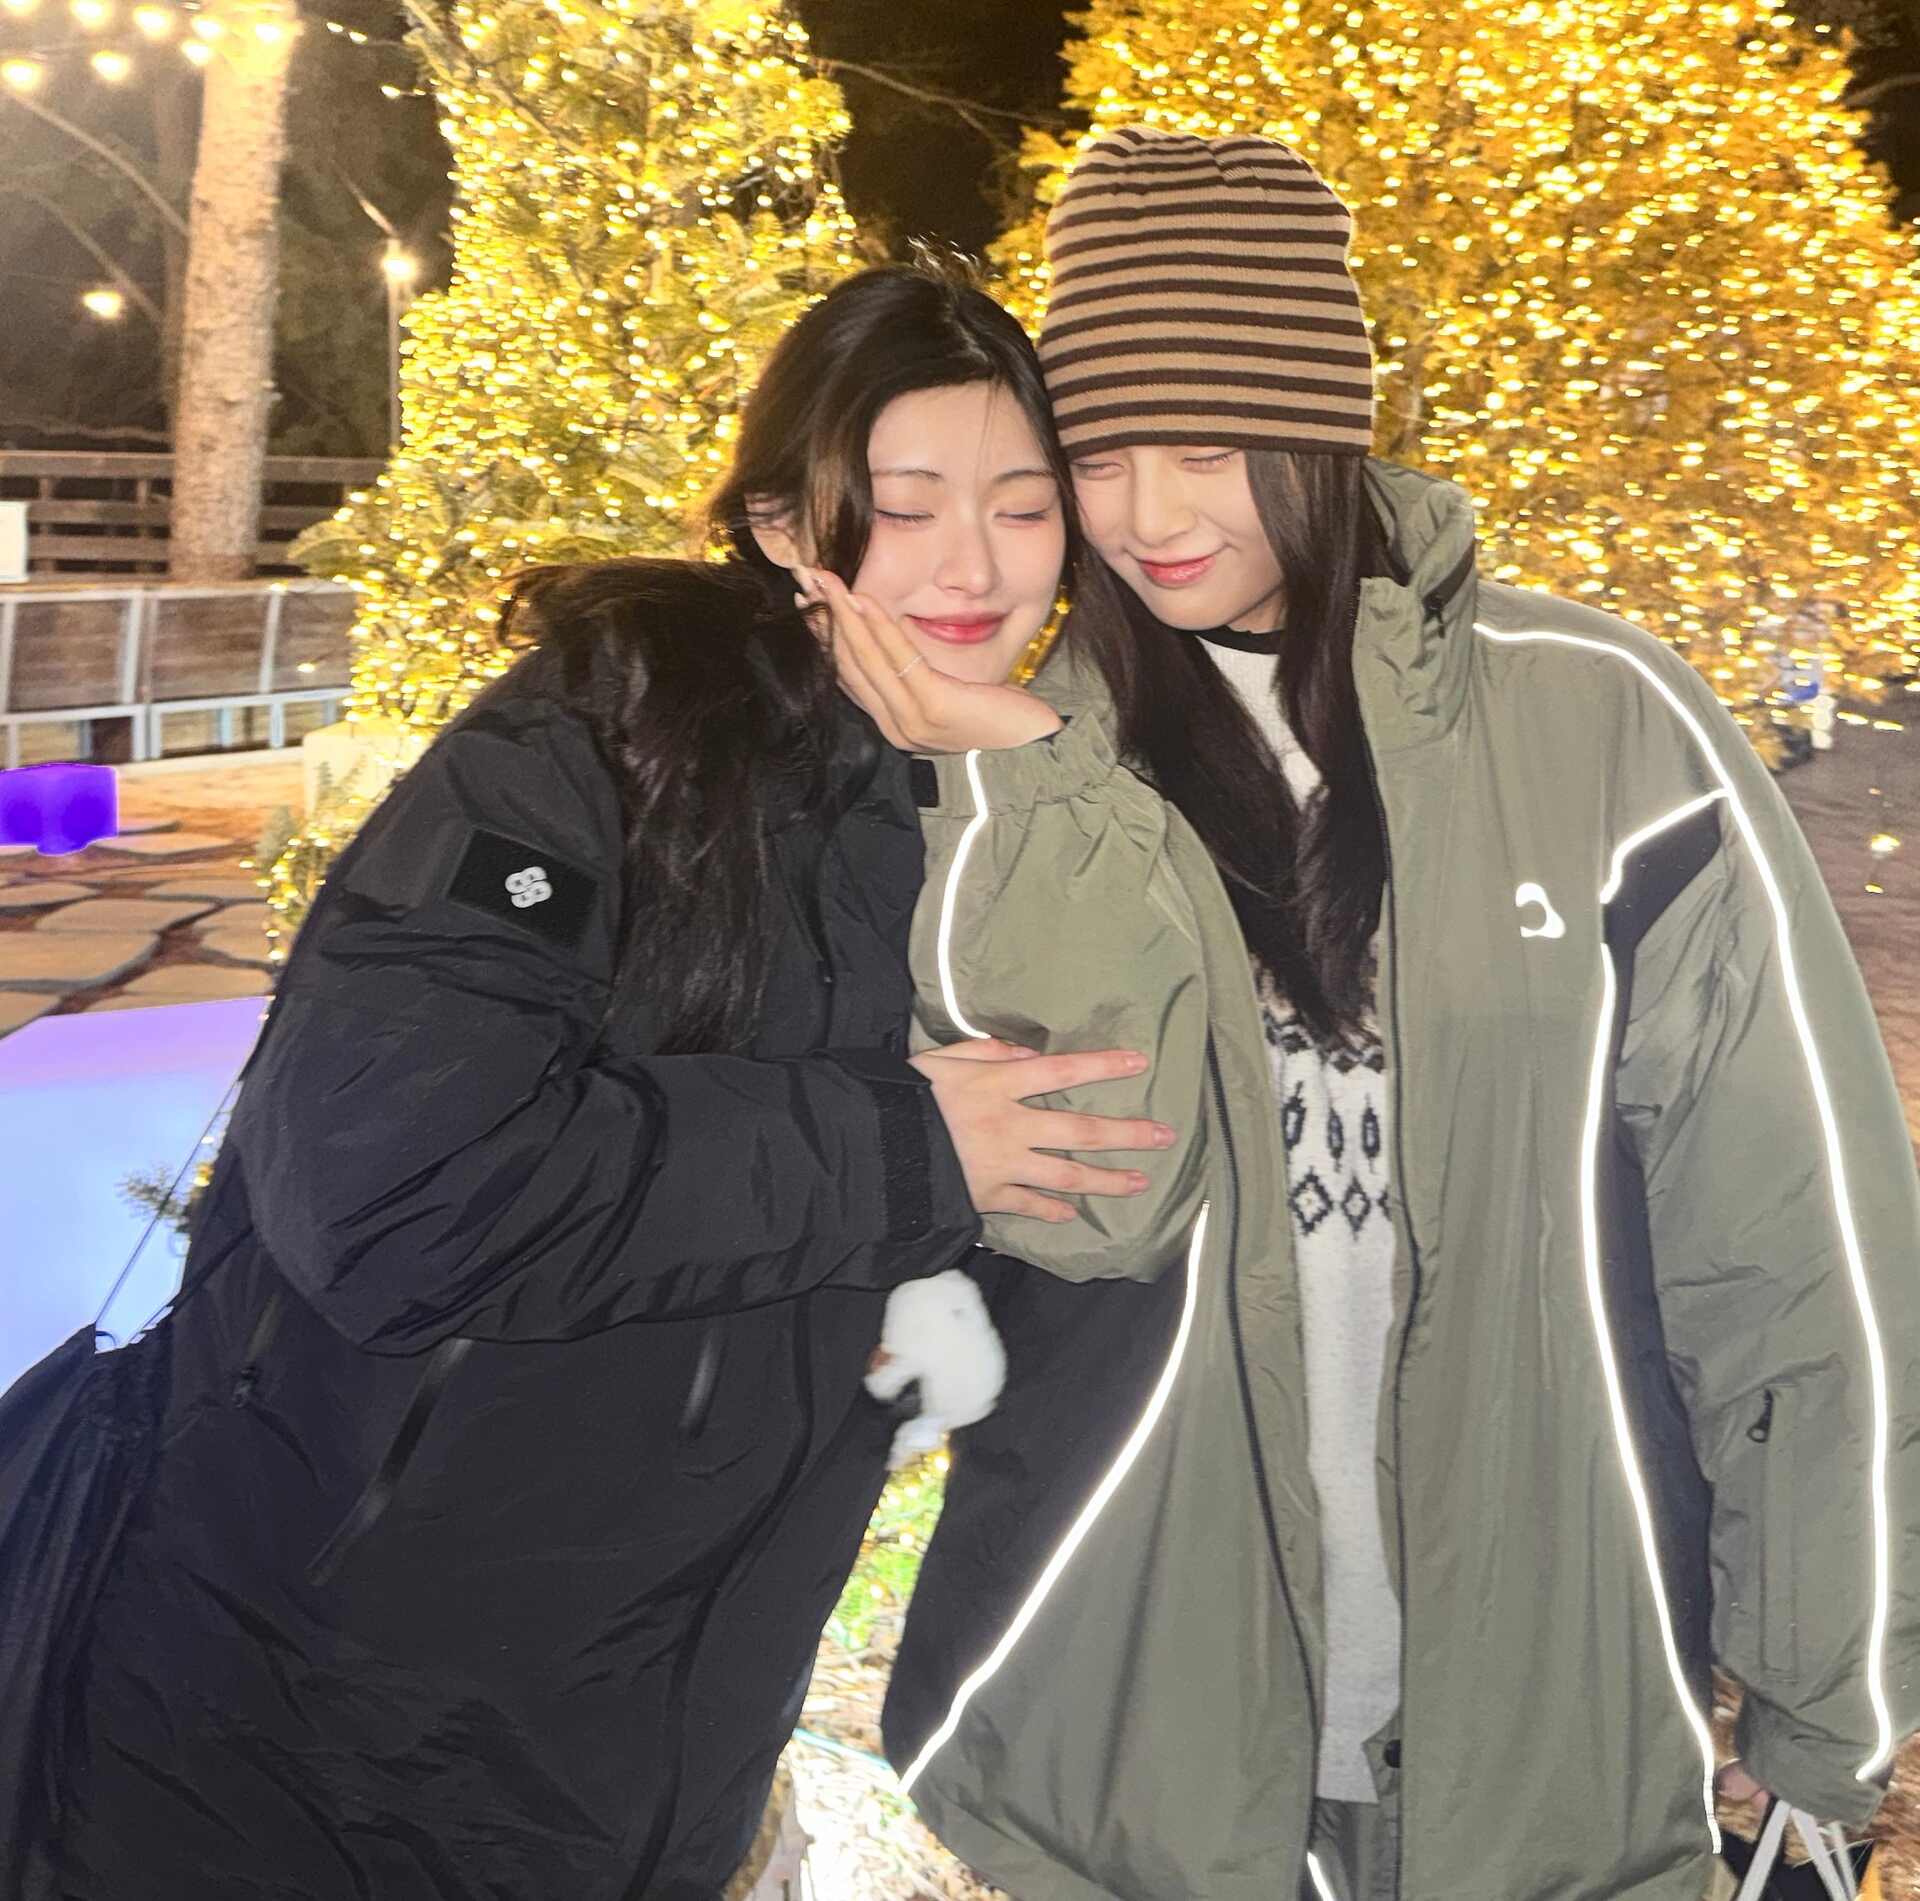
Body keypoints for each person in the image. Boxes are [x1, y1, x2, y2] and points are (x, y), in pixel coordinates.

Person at [820, 130, 1920, 1901]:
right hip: (1133, 1724)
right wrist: (1022, 780)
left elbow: (1797, 1251)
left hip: (1549, 1701)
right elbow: (1077, 1212)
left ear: (1325, 426)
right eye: (1096, 455)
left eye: (1208, 447)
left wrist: (1825, 1702)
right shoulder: (1015, 758)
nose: (1148, 517)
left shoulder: (1601, 725)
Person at [52, 266, 1170, 1901]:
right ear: (783, 522)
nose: (976, 565)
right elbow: (390, 1183)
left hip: (660, 1742)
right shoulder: (602, 733)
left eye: (1024, 507)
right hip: (318, 1728)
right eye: (906, 503)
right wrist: (900, 1150)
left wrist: (1036, 781)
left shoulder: (982, 794)